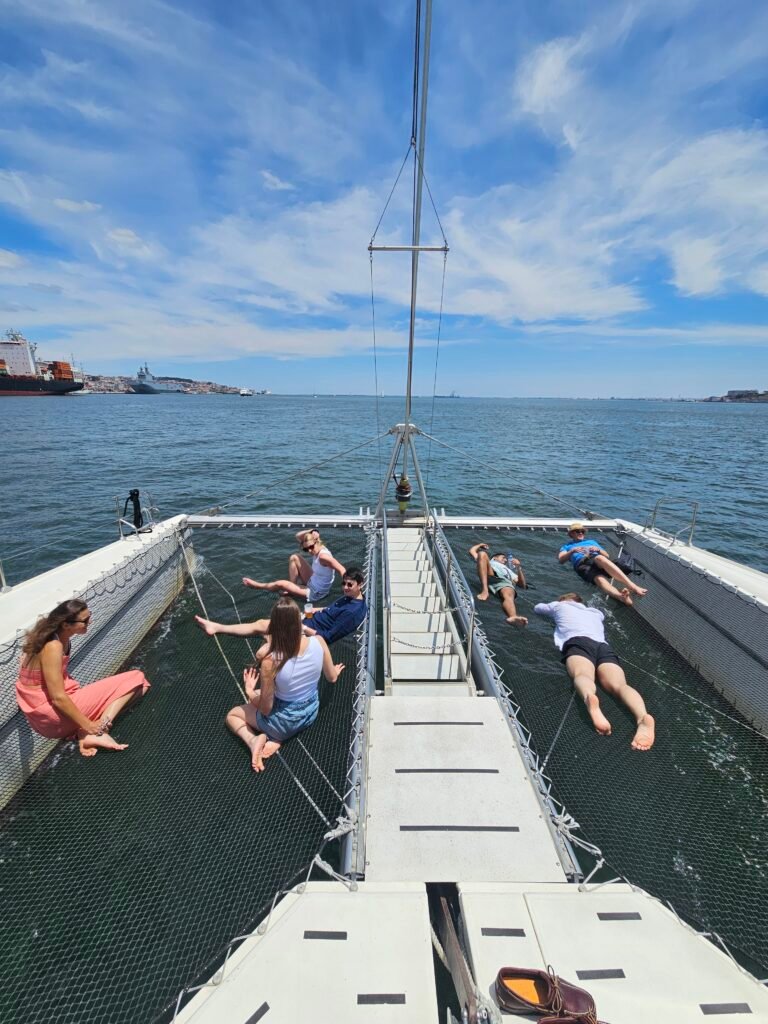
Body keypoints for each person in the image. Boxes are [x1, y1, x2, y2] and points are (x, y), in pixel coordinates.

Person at [16, 599, 150, 756]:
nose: (90, 622)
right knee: (136, 677)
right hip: (51, 715)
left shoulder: (52, 636)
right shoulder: (53, 646)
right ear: (66, 625)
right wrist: (89, 725)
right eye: (85, 621)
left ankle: (88, 732)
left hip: (45, 717)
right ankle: (94, 732)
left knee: (142, 688)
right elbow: (58, 698)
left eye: (89, 616)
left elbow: (27, 672)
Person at [224, 597, 344, 772]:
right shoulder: (319, 641)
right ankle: (276, 739)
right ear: (299, 620)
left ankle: (254, 740)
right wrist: (335, 670)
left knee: (233, 715)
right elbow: (332, 678)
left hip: (285, 722)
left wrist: (249, 691)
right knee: (266, 693)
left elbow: (266, 709)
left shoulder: (271, 661)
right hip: (310, 712)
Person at [534, 593, 655, 750]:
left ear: (563, 599)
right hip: (603, 646)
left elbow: (537, 608)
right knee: (620, 685)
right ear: (580, 601)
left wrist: (554, 607)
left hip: (577, 641)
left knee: (582, 675)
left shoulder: (558, 605)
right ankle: (642, 717)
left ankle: (589, 697)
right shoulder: (595, 613)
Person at [196, 567, 367, 645]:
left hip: (309, 633)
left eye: (349, 585)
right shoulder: (351, 598)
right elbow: (330, 610)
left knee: (262, 625)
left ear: (360, 584)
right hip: (309, 620)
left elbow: (327, 638)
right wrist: (313, 610)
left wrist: (303, 627)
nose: (345, 587)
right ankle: (272, 638)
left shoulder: (353, 612)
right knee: (267, 623)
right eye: (343, 583)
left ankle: (217, 627)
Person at [242, 529, 346, 603]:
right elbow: (298, 535)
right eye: (306, 549)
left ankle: (257, 586)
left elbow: (341, 569)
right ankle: (292, 588)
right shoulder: (319, 547)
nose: (309, 551)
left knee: (281, 584)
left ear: (316, 541)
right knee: (294, 557)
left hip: (316, 593)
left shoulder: (323, 557)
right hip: (313, 580)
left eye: (311, 547)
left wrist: (348, 588)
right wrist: (313, 530)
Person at [558, 522, 647, 606]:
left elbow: (606, 555)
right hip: (582, 564)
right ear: (571, 534)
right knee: (599, 579)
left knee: (600, 558)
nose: (581, 533)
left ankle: (632, 586)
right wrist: (572, 551)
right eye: (577, 531)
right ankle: (621, 597)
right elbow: (561, 560)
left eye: (582, 531)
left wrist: (598, 550)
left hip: (596, 559)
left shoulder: (592, 542)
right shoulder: (567, 546)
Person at [469, 542, 528, 627]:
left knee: (508, 593)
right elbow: (472, 551)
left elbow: (522, 585)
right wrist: (480, 545)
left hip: (504, 583)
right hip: (490, 572)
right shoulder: (489, 561)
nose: (505, 560)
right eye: (503, 558)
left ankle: (513, 617)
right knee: (482, 554)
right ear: (494, 558)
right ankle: (485, 590)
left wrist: (519, 567)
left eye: (506, 560)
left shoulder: (509, 571)